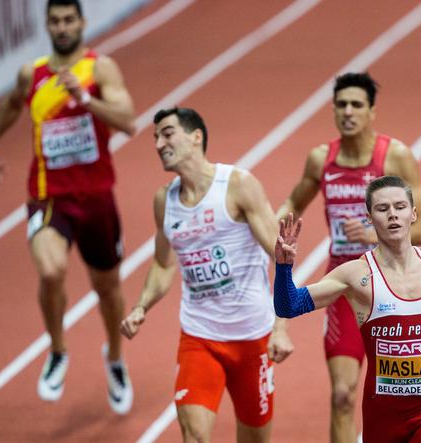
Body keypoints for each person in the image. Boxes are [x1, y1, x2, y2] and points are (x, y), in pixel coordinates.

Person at [0, 0, 135, 414]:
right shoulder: (34, 73)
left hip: (98, 197)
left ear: (82, 22)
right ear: (47, 26)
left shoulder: (100, 69)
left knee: (107, 289)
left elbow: (127, 120)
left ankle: (115, 358)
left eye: (69, 19)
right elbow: (12, 105)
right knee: (50, 270)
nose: (62, 27)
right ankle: (59, 350)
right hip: (50, 196)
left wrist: (85, 99)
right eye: (55, 21)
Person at [276, 72, 421, 442]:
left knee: (404, 394)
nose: (348, 111)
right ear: (333, 110)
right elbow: (292, 203)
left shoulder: (394, 156)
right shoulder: (321, 160)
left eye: (356, 105)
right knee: (343, 395)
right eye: (341, 104)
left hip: (393, 285)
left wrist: (373, 233)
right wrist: (263, 225)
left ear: (372, 111)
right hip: (346, 286)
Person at [274, 175, 421, 442]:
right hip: (383, 418)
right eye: (382, 208)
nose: (392, 215)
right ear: (369, 217)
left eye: (400, 207)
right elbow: (289, 306)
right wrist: (284, 267)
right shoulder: (355, 275)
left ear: (413, 214)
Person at [120, 107, 294, 442]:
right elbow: (162, 264)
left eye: (167, 133)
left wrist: (281, 328)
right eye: (155, 137)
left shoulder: (238, 186)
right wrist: (142, 306)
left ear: (195, 136)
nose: (158, 143)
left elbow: (281, 257)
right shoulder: (164, 200)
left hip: (252, 337)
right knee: (195, 436)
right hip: (199, 337)